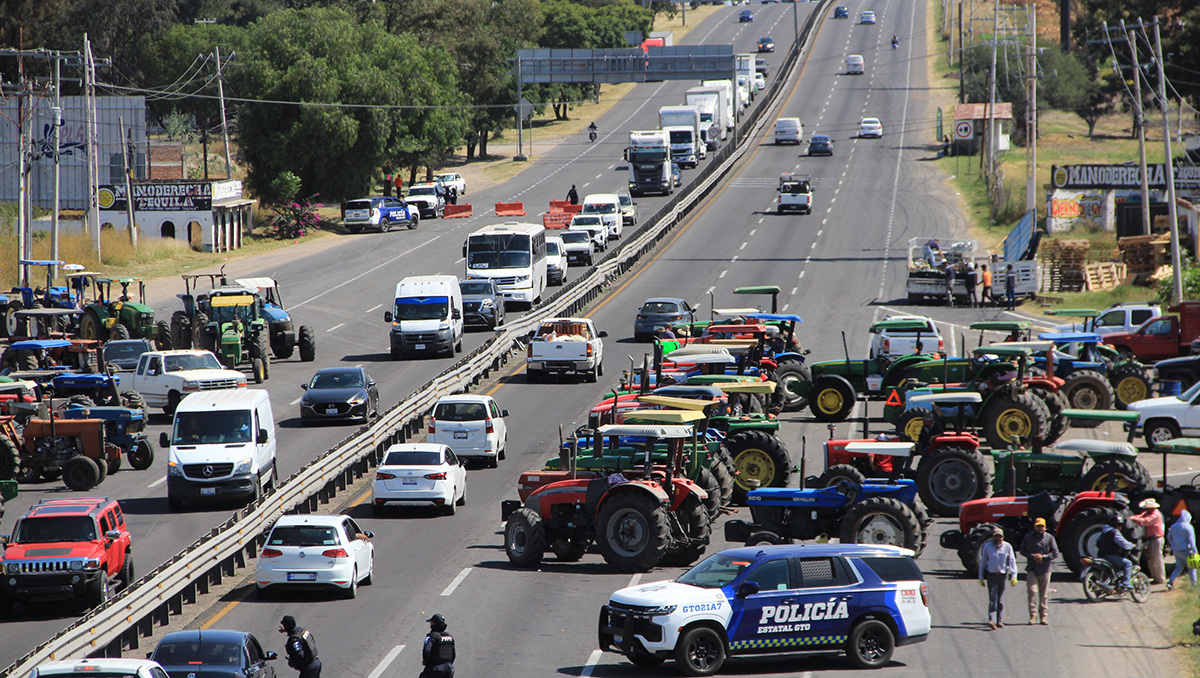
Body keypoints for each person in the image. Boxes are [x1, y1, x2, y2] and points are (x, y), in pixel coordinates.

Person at [1019, 517, 1058, 625]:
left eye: (1042, 526)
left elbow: (1055, 553)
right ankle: (1032, 615)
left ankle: (1043, 617)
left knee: (1044, 595)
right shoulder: (1028, 537)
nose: (1040, 528)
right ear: (1034, 527)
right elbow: (1022, 550)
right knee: (1032, 592)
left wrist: (1043, 556)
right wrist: (1033, 556)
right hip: (1032, 568)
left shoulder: (1049, 538)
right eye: (1038, 526)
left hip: (1045, 569)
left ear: (1045, 527)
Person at [978, 527, 1017, 629]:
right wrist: (981, 577)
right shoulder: (987, 547)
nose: (998, 539)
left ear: (1003, 537)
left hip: (1003, 576)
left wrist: (1014, 576)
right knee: (992, 599)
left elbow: (1012, 561)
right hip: (991, 576)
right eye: (996, 537)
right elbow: (983, 562)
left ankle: (999, 620)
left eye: (999, 537)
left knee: (1000, 600)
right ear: (992, 537)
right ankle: (991, 620)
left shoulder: (1007, 547)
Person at [1130, 498, 1166, 585]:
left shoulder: (1156, 515)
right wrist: (1133, 517)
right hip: (1150, 539)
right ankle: (1155, 577)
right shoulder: (1147, 513)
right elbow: (1140, 517)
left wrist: (1133, 519)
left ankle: (1160, 578)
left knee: (1157, 558)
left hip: (1156, 539)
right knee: (1150, 559)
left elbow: (1146, 521)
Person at [1096, 515, 1136, 591]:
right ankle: (1126, 583)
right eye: (1119, 524)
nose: (1120, 526)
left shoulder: (1104, 532)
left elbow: (1097, 541)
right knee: (1128, 563)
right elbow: (1124, 544)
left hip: (1101, 555)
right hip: (1111, 556)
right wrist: (1132, 545)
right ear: (1114, 525)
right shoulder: (1114, 532)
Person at [1168, 509, 1197, 590]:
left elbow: (1169, 537)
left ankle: (1170, 582)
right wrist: (1195, 551)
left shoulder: (1173, 526)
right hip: (1187, 550)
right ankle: (1194, 585)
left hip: (1176, 550)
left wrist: (1173, 544)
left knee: (1179, 567)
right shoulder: (1188, 527)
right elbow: (1191, 540)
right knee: (1192, 568)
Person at [421, 614, 456, 678]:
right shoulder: (450, 637)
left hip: (435, 669)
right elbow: (453, 654)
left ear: (434, 623)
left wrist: (425, 661)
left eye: (431, 622)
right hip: (448, 669)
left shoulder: (432, 637)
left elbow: (427, 650)